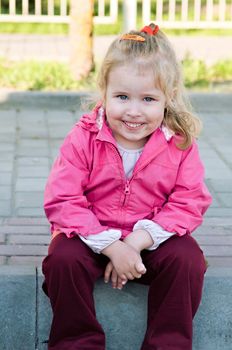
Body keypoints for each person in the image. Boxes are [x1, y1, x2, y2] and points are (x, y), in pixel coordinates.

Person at [42, 23, 212, 350]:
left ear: (169, 97)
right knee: (63, 259)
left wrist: (134, 243)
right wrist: (110, 246)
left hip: (151, 239)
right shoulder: (84, 137)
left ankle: (167, 344)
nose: (133, 111)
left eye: (148, 99)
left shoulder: (179, 144)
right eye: (122, 97)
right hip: (89, 236)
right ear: (103, 91)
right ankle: (77, 343)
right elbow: (63, 199)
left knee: (187, 258)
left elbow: (188, 201)